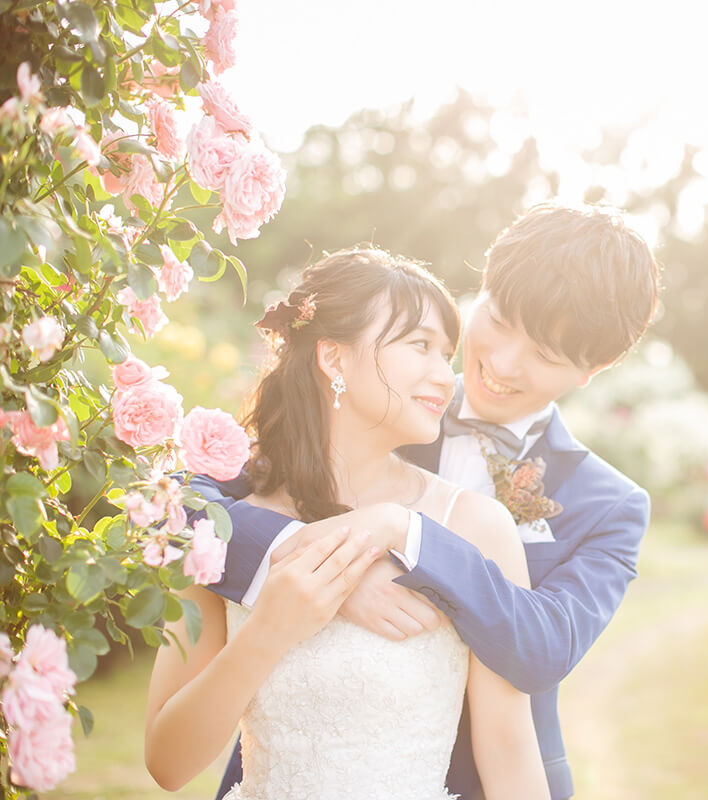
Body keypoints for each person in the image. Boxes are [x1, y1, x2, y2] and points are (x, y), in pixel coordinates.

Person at [193, 203, 662, 800]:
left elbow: (543, 648)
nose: (502, 362)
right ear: (484, 283)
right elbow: (189, 504)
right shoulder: (378, 402)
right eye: (499, 319)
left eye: (544, 355)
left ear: (597, 368)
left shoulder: (610, 506)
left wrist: (406, 534)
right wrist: (328, 569)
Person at [144, 249, 550, 799]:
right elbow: (167, 764)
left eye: (447, 353)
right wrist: (269, 631)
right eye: (420, 345)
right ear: (333, 359)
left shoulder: (476, 527)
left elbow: (509, 750)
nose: (444, 376)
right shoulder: (221, 530)